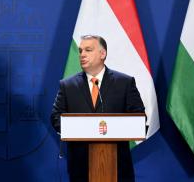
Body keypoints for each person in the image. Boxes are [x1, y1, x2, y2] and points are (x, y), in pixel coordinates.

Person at [50, 35, 145, 182]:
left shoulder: (124, 83)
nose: (82, 54)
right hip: (80, 168)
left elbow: (139, 116)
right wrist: (84, 128)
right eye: (81, 51)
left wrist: (108, 128)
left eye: (88, 50)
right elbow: (56, 118)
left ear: (103, 54)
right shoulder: (67, 86)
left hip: (117, 167)